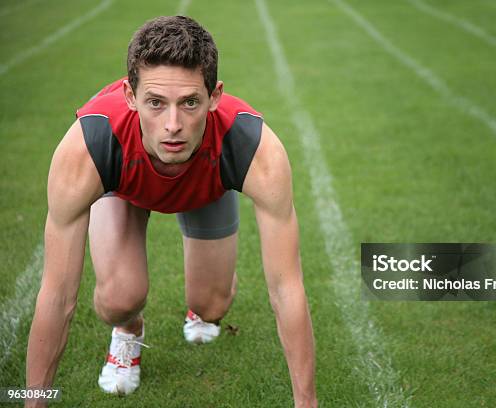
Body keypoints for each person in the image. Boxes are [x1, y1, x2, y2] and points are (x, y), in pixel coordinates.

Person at [25, 15, 317, 407]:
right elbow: (58, 294)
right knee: (118, 298)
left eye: (190, 102)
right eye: (156, 103)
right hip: (124, 187)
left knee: (211, 306)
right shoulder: (91, 146)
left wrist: (307, 402)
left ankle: (208, 301)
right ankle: (128, 330)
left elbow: (286, 288)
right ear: (130, 96)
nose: (173, 125)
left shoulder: (253, 147)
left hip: (207, 182)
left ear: (215, 97)